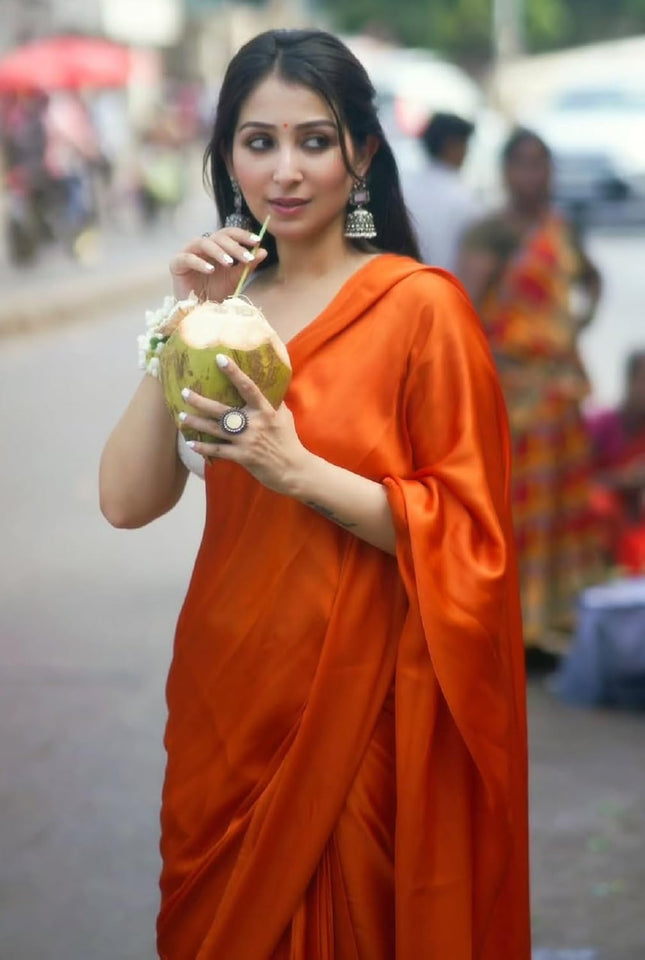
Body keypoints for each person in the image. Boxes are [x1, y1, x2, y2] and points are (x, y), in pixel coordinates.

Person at [99, 29, 530, 959]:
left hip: (362, 716)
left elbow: (473, 541)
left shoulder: (420, 309)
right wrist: (181, 322)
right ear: (224, 158)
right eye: (258, 142)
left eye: (314, 140)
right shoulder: (222, 315)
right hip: (229, 697)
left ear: (361, 154)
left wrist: (298, 472)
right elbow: (127, 502)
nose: (285, 171)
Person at [459, 128, 603, 659]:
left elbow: (591, 282)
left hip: (558, 396)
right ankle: (510, 624)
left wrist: (571, 330)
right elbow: (467, 309)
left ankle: (553, 619)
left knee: (563, 511)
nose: (532, 176)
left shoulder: (562, 229)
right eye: (521, 165)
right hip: (512, 395)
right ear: (504, 173)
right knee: (511, 512)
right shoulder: (490, 233)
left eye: (540, 165)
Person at [586, 349, 645, 573]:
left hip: (636, 516)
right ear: (630, 382)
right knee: (602, 505)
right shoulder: (601, 424)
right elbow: (580, 477)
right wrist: (624, 479)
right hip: (606, 515)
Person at [403, 111, 479, 273]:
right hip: (443, 288)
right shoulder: (465, 199)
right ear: (452, 146)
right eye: (465, 145)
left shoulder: (401, 185)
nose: (467, 153)